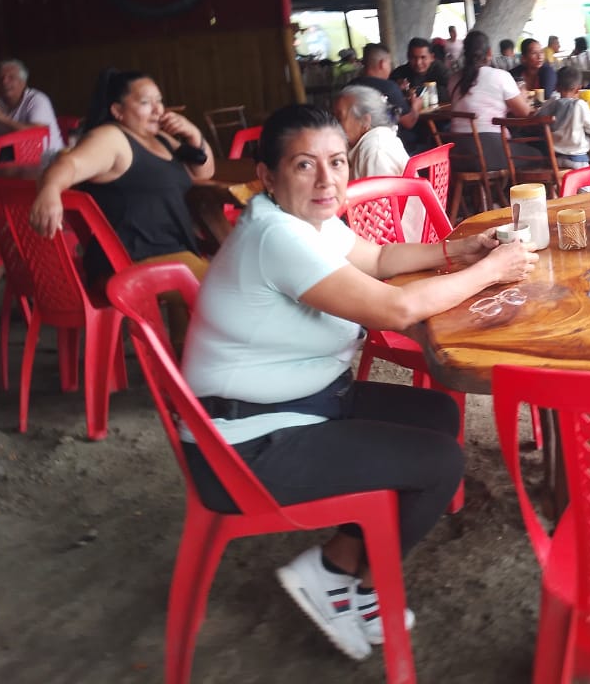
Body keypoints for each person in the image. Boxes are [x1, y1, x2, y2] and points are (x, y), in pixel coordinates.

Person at [180, 104, 538, 662]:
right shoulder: (276, 236)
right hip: (243, 444)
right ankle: (365, 585)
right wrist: (490, 271)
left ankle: (335, 563)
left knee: (437, 416)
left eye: (337, 162)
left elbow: (379, 257)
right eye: (305, 165)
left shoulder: (309, 222)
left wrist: (459, 250)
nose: (327, 180)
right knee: (438, 462)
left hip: (300, 403)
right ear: (268, 175)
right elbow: (397, 309)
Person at [28, 69, 214, 283]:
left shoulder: (160, 139)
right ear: (118, 111)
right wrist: (50, 190)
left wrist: (193, 134)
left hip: (173, 255)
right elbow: (69, 163)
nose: (158, 110)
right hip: (132, 262)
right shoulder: (111, 138)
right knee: (232, 290)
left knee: (234, 282)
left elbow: (204, 172)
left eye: (159, 101)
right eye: (146, 102)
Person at [449, 31, 535, 170]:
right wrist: (522, 97)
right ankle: (508, 184)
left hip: (457, 155)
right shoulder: (500, 76)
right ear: (489, 52)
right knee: (537, 154)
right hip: (489, 153)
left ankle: (497, 184)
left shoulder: (453, 79)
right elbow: (524, 113)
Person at [0, 59, 64, 158]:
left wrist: (2, 118)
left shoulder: (37, 99)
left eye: (11, 77)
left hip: (49, 159)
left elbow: (37, 134)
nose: (4, 82)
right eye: (0, 78)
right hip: (13, 158)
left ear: (23, 82)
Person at [332, 86, 410, 180]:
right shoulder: (368, 143)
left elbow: (380, 189)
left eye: (339, 118)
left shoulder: (376, 150)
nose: (333, 126)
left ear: (364, 121)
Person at [535, 65, 590, 168]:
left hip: (555, 160)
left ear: (556, 87)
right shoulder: (580, 105)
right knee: (587, 177)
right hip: (577, 161)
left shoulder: (551, 103)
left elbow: (538, 117)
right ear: (578, 89)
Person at [349, 43, 417, 132]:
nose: (390, 68)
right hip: (386, 137)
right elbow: (409, 122)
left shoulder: (350, 86)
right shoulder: (389, 87)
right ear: (382, 64)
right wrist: (416, 106)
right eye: (389, 63)